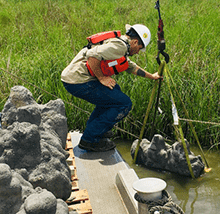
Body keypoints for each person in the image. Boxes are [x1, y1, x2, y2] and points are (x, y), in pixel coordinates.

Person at [61, 24, 162, 152]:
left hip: (73, 79)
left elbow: (131, 67)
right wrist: (102, 78)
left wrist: (152, 76)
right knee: (124, 104)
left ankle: (96, 131)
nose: (137, 53)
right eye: (139, 49)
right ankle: (90, 139)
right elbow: (92, 56)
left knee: (114, 92)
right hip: (78, 81)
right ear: (135, 42)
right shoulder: (120, 47)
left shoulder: (120, 45)